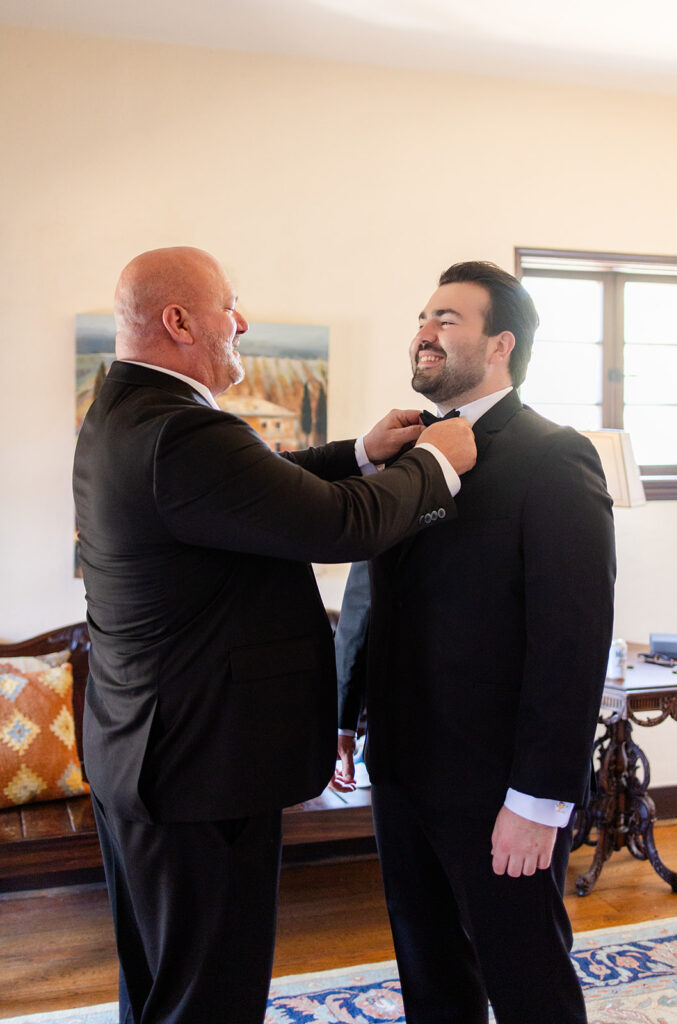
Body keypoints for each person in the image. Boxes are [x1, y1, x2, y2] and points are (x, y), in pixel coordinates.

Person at [72, 245, 476, 1024]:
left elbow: (261, 483)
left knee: (160, 988)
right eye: (230, 305)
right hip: (198, 770)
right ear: (180, 320)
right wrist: (434, 466)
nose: (242, 321)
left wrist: (359, 454)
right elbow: (339, 526)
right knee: (208, 1000)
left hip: (142, 755)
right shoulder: (181, 433)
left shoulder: (126, 411)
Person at [334, 261, 616, 1023]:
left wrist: (539, 799)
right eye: (422, 318)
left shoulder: (554, 458)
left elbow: (573, 639)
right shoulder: (404, 449)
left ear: (500, 345)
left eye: (445, 320)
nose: (423, 332)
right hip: (399, 769)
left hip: (500, 788)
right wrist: (346, 711)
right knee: (430, 978)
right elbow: (373, 594)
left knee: (526, 981)